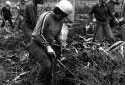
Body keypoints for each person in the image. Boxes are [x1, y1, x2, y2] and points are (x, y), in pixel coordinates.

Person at [29, 0, 74, 85]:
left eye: (64, 16)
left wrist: (61, 42)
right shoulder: (46, 16)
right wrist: (48, 47)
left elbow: (56, 35)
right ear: (58, 11)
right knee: (46, 65)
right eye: (62, 15)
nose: (62, 18)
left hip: (46, 45)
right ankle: (38, 83)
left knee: (52, 66)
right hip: (36, 44)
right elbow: (38, 34)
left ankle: (48, 82)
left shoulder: (60, 21)